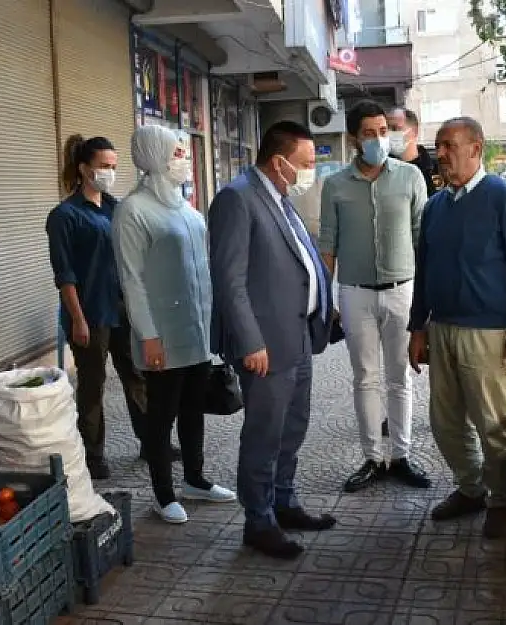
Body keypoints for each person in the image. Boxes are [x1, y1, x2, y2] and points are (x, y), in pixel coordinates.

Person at [207, 121, 337, 559]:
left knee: (293, 427)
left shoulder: (280, 197)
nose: (309, 172)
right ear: (279, 162)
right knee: (264, 434)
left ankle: (285, 500)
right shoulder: (237, 198)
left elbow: (297, 260)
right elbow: (229, 281)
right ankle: (258, 521)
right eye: (305, 164)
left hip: (297, 336)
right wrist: (249, 341)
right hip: (264, 346)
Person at [407, 117, 506, 539]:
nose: (441, 153)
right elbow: (424, 271)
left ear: (475, 149)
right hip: (442, 329)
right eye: (439, 145)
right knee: (446, 422)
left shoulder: (505, 199)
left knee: (493, 424)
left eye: (449, 145)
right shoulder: (436, 207)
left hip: (490, 332)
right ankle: (471, 488)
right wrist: (417, 328)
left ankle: (501, 500)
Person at [115, 125, 236, 524]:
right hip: (162, 336)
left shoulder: (186, 208)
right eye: (178, 153)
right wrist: (147, 335)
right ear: (155, 155)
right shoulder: (133, 211)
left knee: (193, 409)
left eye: (184, 153)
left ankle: (195, 480)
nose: (185, 160)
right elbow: (132, 280)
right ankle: (163, 494)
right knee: (161, 415)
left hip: (196, 330)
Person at [319, 100, 430, 494]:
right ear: (354, 138)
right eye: (370, 132)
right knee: (365, 378)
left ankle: (400, 455)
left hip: (404, 290)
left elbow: (422, 237)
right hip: (355, 294)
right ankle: (371, 458)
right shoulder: (335, 185)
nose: (380, 139)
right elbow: (328, 242)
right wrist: (323, 297)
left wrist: (426, 302)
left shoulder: (411, 177)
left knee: (401, 377)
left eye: (384, 131)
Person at [47, 135, 149, 480]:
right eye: (104, 166)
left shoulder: (115, 207)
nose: (110, 172)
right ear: (83, 168)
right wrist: (77, 319)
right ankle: (93, 454)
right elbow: (65, 274)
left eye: (114, 167)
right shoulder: (65, 215)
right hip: (89, 314)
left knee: (135, 376)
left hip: (121, 308)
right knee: (93, 384)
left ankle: (150, 442)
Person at [387, 107, 438, 197]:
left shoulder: (434, 169)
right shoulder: (382, 169)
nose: (389, 134)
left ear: (414, 131)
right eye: (386, 129)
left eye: (395, 129)